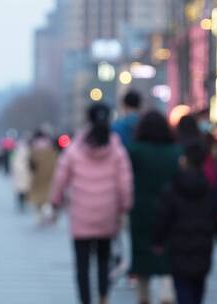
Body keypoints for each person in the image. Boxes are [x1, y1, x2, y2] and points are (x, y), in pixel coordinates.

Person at [50, 104, 133, 304]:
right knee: (104, 259)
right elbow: (125, 182)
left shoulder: (75, 148)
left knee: (82, 264)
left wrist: (55, 201)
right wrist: (124, 207)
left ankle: (85, 300)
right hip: (107, 213)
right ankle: (104, 296)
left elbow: (61, 177)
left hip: (81, 214)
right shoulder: (116, 148)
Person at [153, 141, 217, 304]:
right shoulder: (209, 190)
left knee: (182, 290)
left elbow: (163, 217)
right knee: (198, 289)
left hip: (178, 249)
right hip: (202, 248)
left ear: (184, 160)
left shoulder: (172, 188)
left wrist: (158, 240)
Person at [128, 111, 180, 304]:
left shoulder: (134, 151)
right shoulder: (175, 152)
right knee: (167, 254)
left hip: (141, 210)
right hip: (170, 211)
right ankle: (167, 293)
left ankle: (143, 297)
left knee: (142, 256)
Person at [29, 129, 58, 224]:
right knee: (48, 196)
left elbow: (31, 164)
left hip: (38, 176)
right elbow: (55, 162)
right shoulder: (51, 148)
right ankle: (48, 213)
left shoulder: (34, 148)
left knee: (38, 198)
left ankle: (40, 215)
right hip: (49, 175)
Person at [11, 138, 31, 212]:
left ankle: (21, 203)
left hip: (18, 173)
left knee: (19, 189)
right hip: (25, 173)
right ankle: (23, 202)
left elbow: (12, 163)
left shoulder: (15, 152)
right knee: (24, 189)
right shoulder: (28, 151)